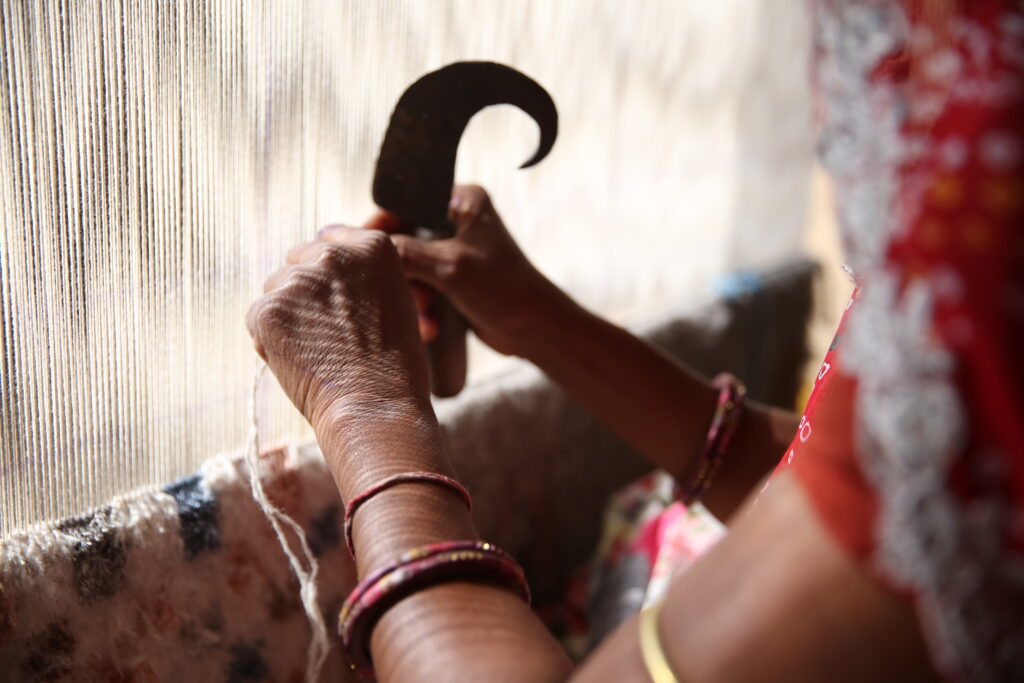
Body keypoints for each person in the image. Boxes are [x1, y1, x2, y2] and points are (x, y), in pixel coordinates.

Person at [246, 1, 1023, 680]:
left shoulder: (988, 238)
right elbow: (871, 497)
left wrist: (367, 410)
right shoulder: (979, 197)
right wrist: (538, 322)